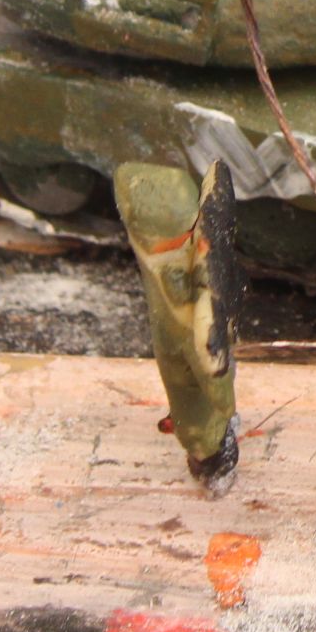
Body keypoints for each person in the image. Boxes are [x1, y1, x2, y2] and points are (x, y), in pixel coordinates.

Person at [113, 160, 242, 492]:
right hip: (187, 357)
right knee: (195, 413)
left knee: (198, 400)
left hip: (188, 347)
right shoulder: (174, 281)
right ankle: (211, 459)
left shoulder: (161, 258)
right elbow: (202, 347)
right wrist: (222, 394)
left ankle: (214, 441)